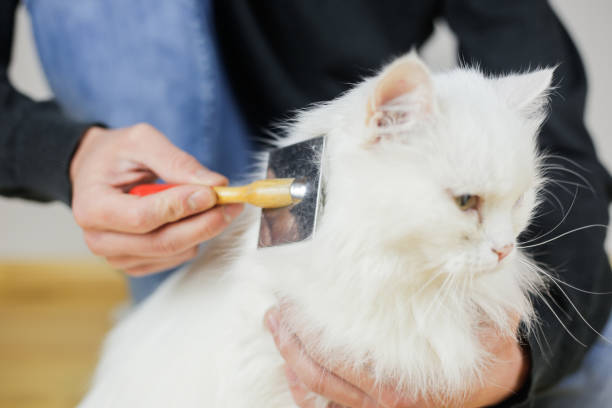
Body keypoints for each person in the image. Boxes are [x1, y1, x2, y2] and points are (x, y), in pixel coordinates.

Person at [1, 0, 610, 406]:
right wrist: (66, 155)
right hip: (220, 239)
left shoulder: (478, 206)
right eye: (470, 202)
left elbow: (566, 152)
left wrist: (520, 365)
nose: (506, 244)